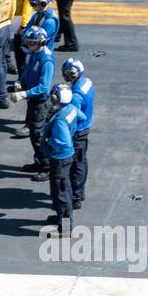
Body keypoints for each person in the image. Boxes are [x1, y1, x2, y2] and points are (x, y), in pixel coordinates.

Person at [12, 26, 55, 179]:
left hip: (40, 102)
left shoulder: (46, 60)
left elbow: (44, 87)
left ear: (40, 42)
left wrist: (24, 94)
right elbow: (27, 70)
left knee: (38, 135)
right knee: (33, 133)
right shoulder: (34, 54)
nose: (28, 45)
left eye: (31, 43)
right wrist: (20, 81)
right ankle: (39, 161)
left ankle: (47, 166)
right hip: (33, 100)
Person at [42, 84, 83, 235]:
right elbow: (82, 117)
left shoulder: (59, 119)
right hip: (66, 158)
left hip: (60, 158)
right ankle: (60, 218)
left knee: (61, 194)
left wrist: (51, 143)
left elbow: (64, 142)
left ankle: (65, 227)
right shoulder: (71, 109)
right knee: (59, 191)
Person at [62, 57, 94, 209]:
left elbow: (72, 115)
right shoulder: (87, 82)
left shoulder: (76, 94)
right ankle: (80, 191)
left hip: (77, 131)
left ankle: (75, 196)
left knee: (75, 165)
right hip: (85, 127)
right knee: (82, 161)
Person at [12, 0, 44, 80]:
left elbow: (28, 5)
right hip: (32, 20)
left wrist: (23, 26)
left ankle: (23, 80)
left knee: (21, 54)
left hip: (26, 22)